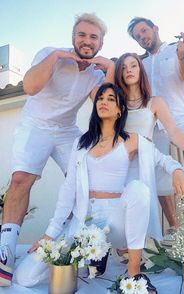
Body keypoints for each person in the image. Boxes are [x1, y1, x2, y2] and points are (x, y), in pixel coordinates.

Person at [15, 83, 184, 293]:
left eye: (110, 99)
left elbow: (163, 160)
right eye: (100, 98)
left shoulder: (131, 140)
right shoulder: (81, 143)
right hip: (84, 220)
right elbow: (68, 188)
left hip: (115, 220)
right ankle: (97, 255)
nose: (103, 102)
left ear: (119, 110)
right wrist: (49, 234)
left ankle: (134, 273)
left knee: (138, 189)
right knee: (25, 276)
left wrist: (177, 171)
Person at [0, 13, 115, 286]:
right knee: (20, 179)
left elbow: (105, 104)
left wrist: (110, 67)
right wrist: (56, 58)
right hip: (35, 125)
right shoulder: (50, 53)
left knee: (87, 178)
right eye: (82, 35)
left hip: (66, 131)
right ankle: (5, 252)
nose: (87, 41)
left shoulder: (95, 73)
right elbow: (30, 87)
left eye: (93, 37)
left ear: (100, 43)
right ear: (73, 37)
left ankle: (83, 243)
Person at [114, 52, 184, 244]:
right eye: (123, 67)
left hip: (151, 172)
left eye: (133, 65)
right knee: (142, 248)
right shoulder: (115, 103)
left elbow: (175, 132)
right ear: (119, 74)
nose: (128, 70)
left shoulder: (155, 102)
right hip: (123, 178)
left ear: (141, 71)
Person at [127, 17, 184, 229]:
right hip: (153, 124)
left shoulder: (177, 50)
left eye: (144, 31)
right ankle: (175, 225)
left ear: (155, 28)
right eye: (137, 36)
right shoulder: (140, 65)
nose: (142, 37)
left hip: (180, 119)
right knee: (155, 171)